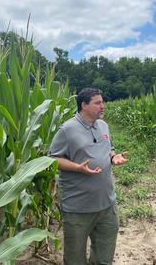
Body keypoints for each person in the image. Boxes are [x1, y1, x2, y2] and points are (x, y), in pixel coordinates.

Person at [49, 87, 127, 265]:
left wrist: (114, 157)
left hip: (107, 205)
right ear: (83, 105)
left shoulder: (103, 125)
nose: (103, 106)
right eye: (97, 103)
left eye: (102, 102)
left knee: (104, 258)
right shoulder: (67, 130)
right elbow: (52, 159)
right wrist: (77, 168)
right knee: (75, 259)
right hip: (78, 208)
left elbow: (109, 148)